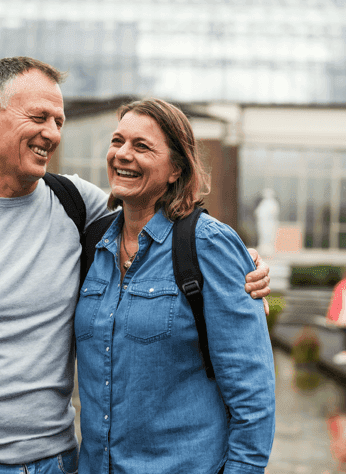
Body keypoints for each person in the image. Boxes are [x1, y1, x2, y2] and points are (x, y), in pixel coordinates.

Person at [0, 57, 272, 474]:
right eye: (40, 117)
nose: (52, 134)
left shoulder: (77, 206)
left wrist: (245, 267)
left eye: (59, 121)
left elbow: (161, 220)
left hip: (60, 464)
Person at [75, 98, 276, 474]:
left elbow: (253, 399)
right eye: (117, 141)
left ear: (175, 170)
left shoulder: (207, 245)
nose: (122, 155)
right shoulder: (92, 242)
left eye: (141, 146)